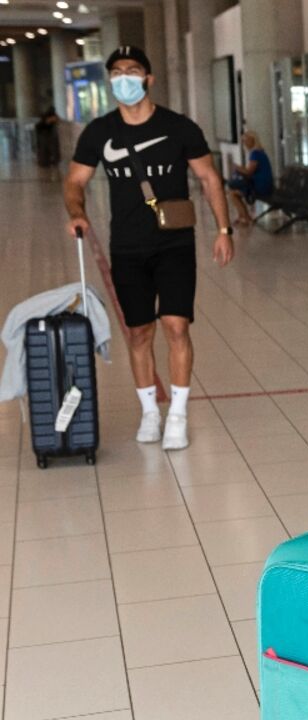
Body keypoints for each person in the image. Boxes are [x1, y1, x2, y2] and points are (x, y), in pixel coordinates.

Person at [64, 45, 235, 451]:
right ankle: (149, 411)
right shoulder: (100, 132)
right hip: (126, 247)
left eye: (133, 70)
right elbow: (75, 182)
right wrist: (76, 211)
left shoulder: (179, 127)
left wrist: (224, 229)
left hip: (174, 242)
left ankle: (176, 412)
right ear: (110, 82)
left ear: (149, 78)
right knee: (139, 332)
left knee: (176, 325)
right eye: (117, 72)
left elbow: (210, 178)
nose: (124, 78)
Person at [227, 130, 273, 225]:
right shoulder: (259, 152)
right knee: (234, 191)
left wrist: (238, 168)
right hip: (262, 183)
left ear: (252, 140)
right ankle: (243, 216)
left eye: (246, 141)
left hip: (260, 186)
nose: (245, 144)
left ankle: (245, 217)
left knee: (233, 194)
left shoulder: (255, 154)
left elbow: (248, 172)